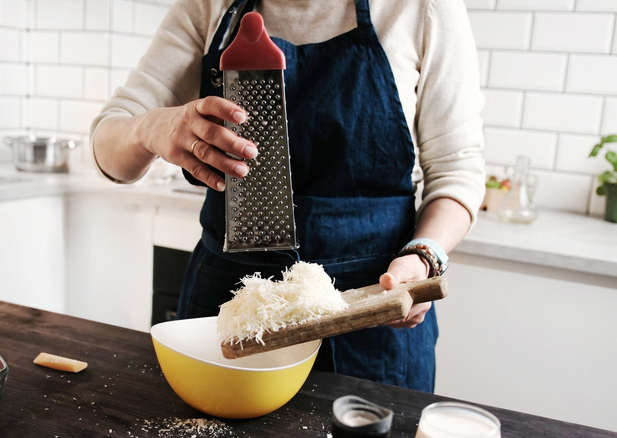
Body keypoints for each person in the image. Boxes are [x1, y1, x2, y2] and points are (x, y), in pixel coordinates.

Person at [90, 0, 485, 393]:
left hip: (373, 311)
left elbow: (458, 171)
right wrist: (149, 127)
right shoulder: (208, 6)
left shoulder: (423, 8)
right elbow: (110, 148)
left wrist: (425, 255)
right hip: (230, 302)